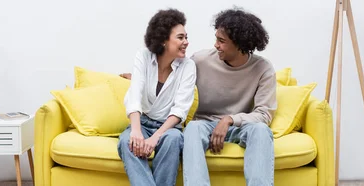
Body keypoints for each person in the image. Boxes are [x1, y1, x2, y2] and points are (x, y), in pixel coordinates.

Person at [182, 7, 276, 186]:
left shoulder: (263, 69)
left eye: (221, 41)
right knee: (192, 128)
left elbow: (264, 114)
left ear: (240, 44)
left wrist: (229, 120)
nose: (216, 45)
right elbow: (173, 77)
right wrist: (142, 78)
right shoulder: (200, 61)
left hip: (242, 125)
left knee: (262, 131)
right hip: (204, 125)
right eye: (216, 39)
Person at [117, 8, 197, 186]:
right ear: (163, 39)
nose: (186, 42)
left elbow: (180, 110)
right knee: (126, 141)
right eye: (180, 37)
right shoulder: (143, 56)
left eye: (186, 37)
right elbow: (135, 95)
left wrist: (156, 137)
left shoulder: (188, 66)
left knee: (174, 140)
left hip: (168, 128)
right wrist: (136, 131)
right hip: (142, 123)